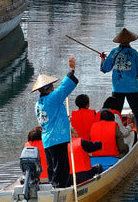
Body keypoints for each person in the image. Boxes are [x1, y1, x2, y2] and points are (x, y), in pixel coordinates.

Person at [33, 56, 79, 188]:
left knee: (52, 168)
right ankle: (59, 191)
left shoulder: (38, 103)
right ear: (50, 87)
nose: (54, 87)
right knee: (61, 170)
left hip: (48, 140)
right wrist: (71, 70)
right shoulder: (53, 98)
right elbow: (64, 87)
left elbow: (52, 117)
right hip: (57, 138)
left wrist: (65, 120)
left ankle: (54, 188)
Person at [99, 28, 138, 134]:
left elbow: (104, 69)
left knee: (115, 113)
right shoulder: (134, 53)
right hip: (132, 88)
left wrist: (102, 58)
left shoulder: (114, 52)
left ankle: (113, 133)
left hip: (117, 88)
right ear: (130, 41)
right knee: (137, 112)